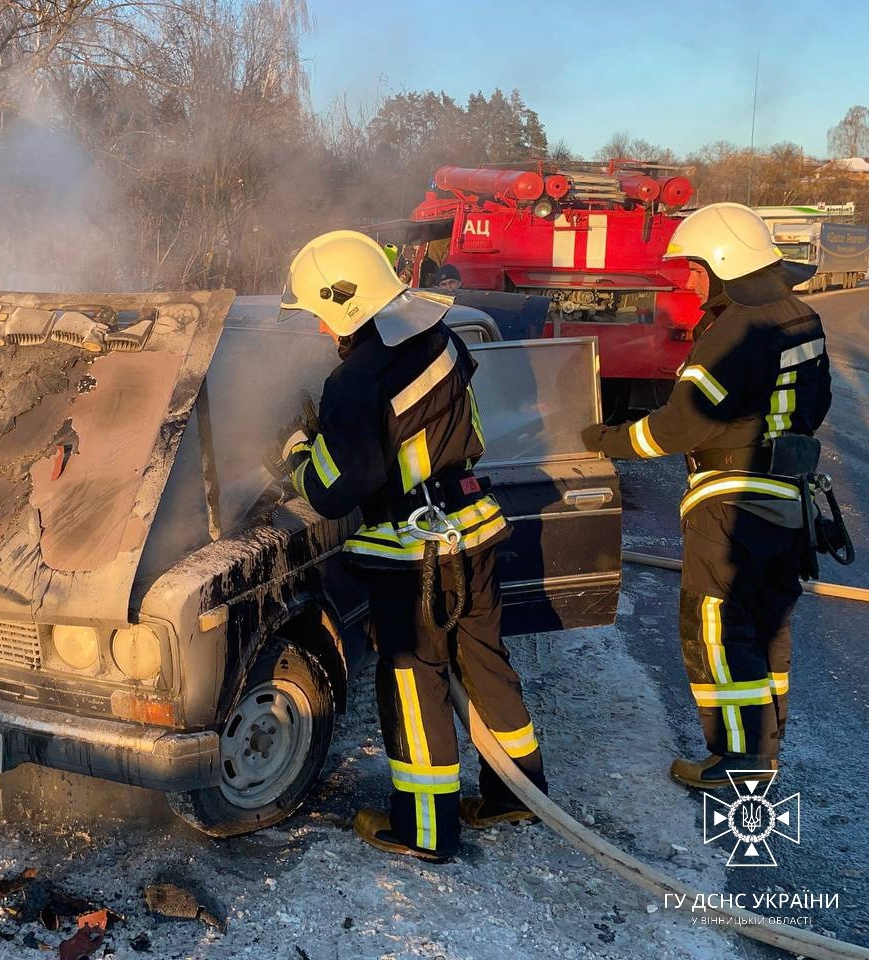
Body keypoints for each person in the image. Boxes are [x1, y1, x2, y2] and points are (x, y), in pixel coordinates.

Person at [277, 229, 548, 862]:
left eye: (319, 313)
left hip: (412, 557)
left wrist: (297, 450)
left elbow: (336, 489)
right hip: (473, 530)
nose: (318, 329)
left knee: (413, 682)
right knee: (486, 666)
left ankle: (425, 830)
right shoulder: (440, 338)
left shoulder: (353, 381)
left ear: (344, 304)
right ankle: (520, 796)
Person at [580, 202, 833, 789]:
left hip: (732, 506)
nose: (688, 280)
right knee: (768, 622)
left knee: (718, 627)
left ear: (724, 263)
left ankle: (738, 761)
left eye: (695, 268)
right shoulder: (801, 316)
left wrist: (605, 439)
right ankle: (765, 749)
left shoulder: (732, 333)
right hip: (787, 497)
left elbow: (679, 426)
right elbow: (811, 407)